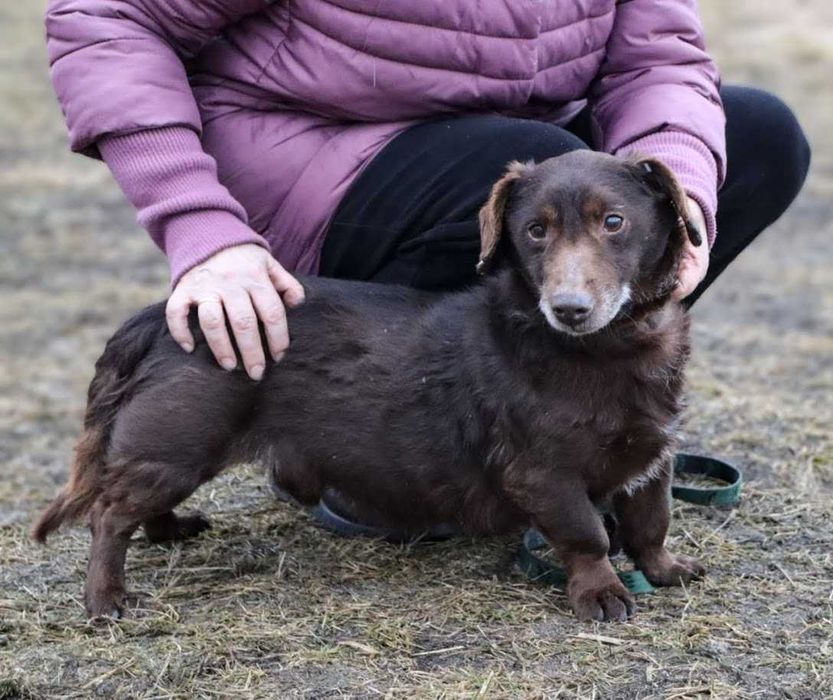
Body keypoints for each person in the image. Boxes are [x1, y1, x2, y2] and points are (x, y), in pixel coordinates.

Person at [46, 0, 810, 386]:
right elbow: (109, 17)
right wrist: (202, 229)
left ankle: (568, 423)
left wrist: (681, 197)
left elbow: (656, 64)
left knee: (756, 136)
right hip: (312, 156)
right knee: (532, 170)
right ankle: (366, 439)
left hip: (513, 147)